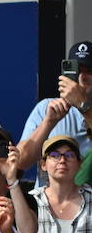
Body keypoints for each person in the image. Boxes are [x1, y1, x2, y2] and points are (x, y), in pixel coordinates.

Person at [16, 41, 92, 174]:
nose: (82, 77)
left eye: (89, 71)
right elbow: (20, 162)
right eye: (77, 70)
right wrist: (48, 122)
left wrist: (84, 106)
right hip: (50, 193)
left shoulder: (85, 107)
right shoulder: (47, 107)